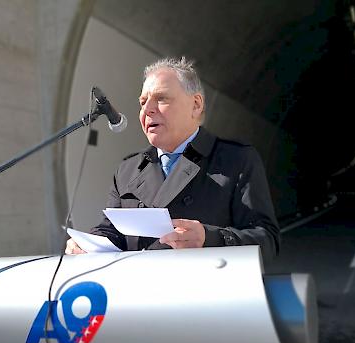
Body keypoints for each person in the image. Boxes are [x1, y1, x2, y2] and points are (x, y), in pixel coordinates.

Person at [65, 57, 280, 261]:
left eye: (161, 99)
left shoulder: (236, 160)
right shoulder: (127, 170)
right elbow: (113, 232)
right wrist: (87, 244)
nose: (147, 109)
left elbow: (267, 242)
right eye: (142, 102)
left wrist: (209, 238)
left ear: (196, 105)